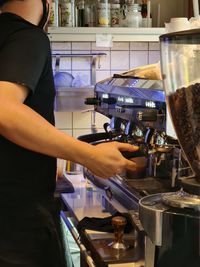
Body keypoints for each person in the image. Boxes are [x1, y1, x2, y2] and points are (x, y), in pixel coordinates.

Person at [0, 0, 138, 266]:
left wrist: (44, 158)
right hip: (15, 231)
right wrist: (89, 155)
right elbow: (4, 110)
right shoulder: (27, 36)